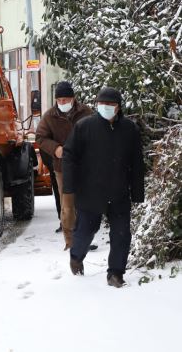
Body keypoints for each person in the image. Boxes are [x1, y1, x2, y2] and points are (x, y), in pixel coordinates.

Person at [63, 87, 144, 288]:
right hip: (90, 191)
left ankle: (115, 273)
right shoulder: (84, 127)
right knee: (85, 230)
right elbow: (69, 156)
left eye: (110, 104)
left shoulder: (129, 130)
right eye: (102, 104)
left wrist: (137, 191)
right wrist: (70, 185)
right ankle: (76, 256)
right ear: (97, 105)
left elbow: (137, 163)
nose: (106, 107)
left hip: (119, 192)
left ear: (118, 108)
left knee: (121, 233)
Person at [36, 81, 93, 248]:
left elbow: (97, 133)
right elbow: (40, 137)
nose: (62, 103)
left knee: (84, 203)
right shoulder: (49, 116)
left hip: (84, 166)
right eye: (59, 100)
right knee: (67, 205)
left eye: (65, 99)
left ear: (73, 99)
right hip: (62, 167)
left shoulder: (86, 112)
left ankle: (84, 237)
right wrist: (55, 149)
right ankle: (70, 241)